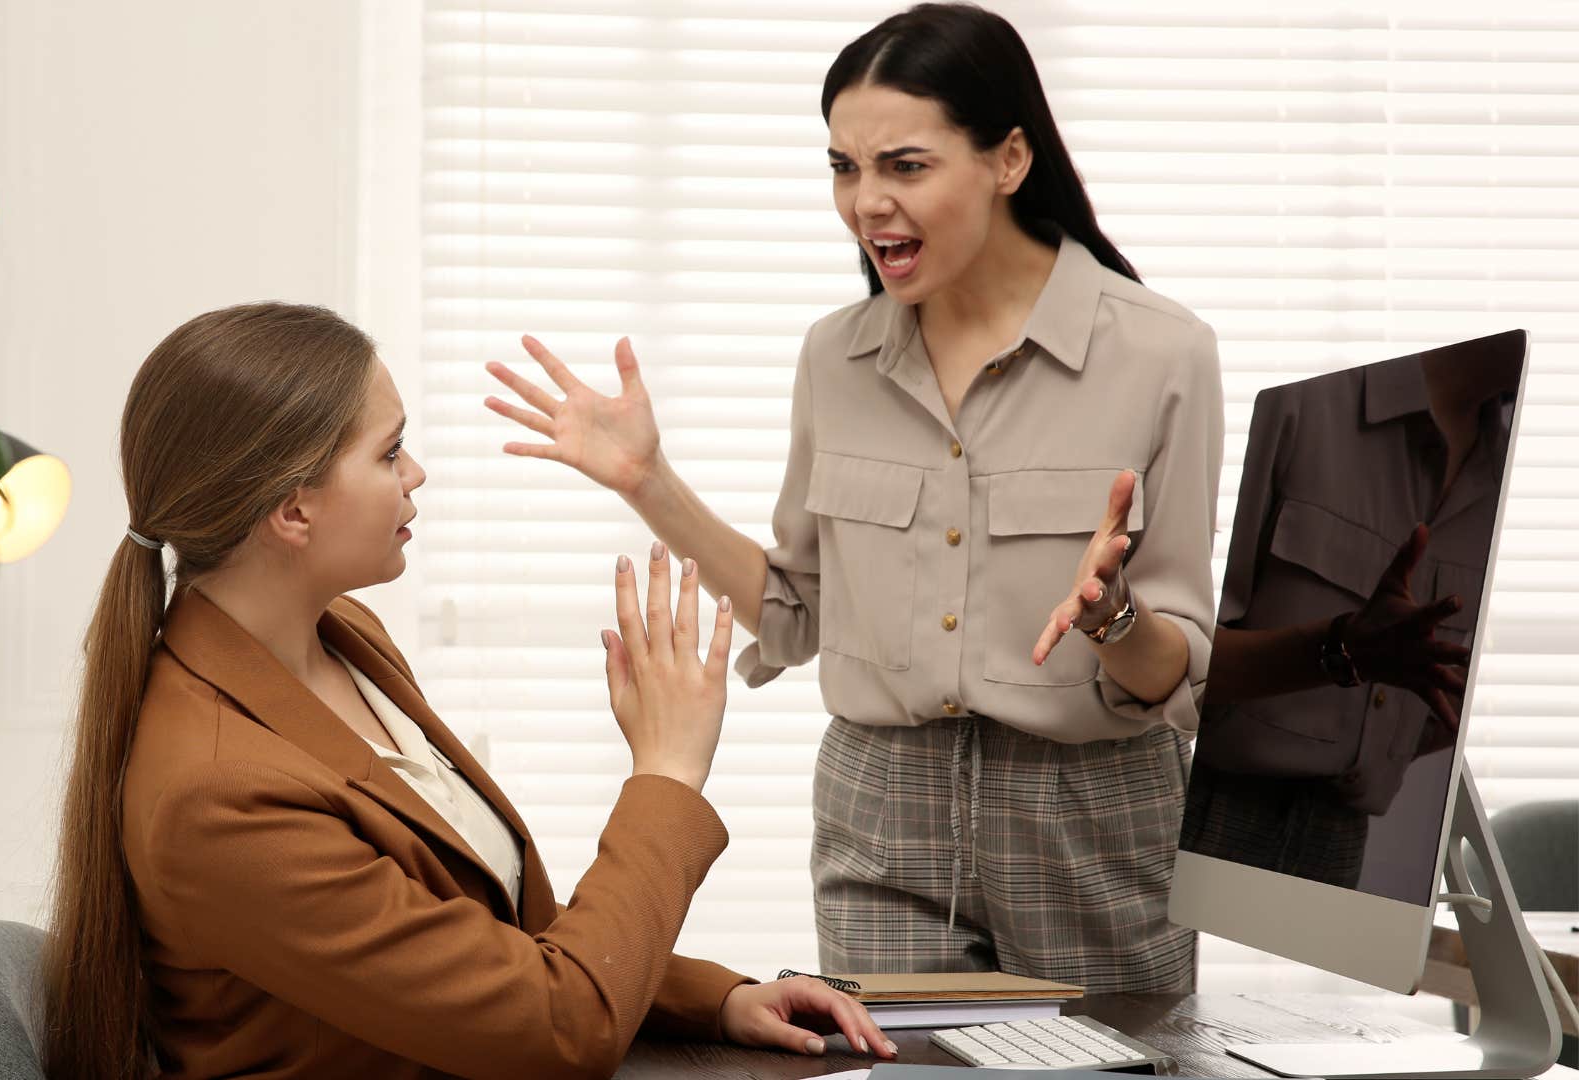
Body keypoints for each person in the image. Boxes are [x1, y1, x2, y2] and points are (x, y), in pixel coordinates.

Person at [483, 3, 1223, 992]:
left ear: (1008, 159)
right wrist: (649, 484)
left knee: (1110, 1063)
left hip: (1093, 812)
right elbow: (798, 614)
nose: (866, 202)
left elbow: (1183, 676)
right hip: (882, 807)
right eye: (844, 167)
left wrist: (1113, 617)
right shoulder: (835, 358)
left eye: (905, 166)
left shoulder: (1164, 353)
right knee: (895, 1061)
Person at [38, 303, 896, 1080]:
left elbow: (478, 943)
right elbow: (555, 1028)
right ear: (293, 511)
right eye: (389, 453)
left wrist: (714, 1000)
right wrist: (666, 773)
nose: (416, 473)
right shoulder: (219, 795)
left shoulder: (345, 640)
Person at [1186, 333, 1518, 896]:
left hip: (1341, 839)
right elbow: (1166, 653)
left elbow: (1419, 700)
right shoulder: (1297, 400)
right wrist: (1340, 650)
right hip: (1209, 813)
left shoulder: (1502, 481)